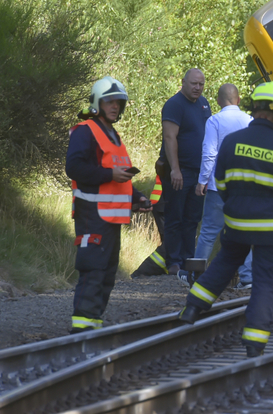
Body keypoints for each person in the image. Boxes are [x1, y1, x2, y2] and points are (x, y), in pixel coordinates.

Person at [178, 82, 273, 358]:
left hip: (236, 223)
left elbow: (220, 184)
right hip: (271, 229)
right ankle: (254, 344)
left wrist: (239, 205)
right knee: (264, 281)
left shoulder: (232, 143)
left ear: (255, 108)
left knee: (223, 265)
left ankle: (192, 308)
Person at [66, 77, 152, 333]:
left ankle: (93, 326)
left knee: (106, 274)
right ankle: (81, 330)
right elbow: (75, 168)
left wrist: (137, 198)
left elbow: (120, 178)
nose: (115, 106)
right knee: (93, 270)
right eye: (109, 101)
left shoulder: (113, 135)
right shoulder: (85, 130)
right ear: (97, 103)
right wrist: (110, 175)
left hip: (111, 218)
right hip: (92, 215)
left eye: (119, 102)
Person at [193, 83, 254, 288]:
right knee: (245, 231)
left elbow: (209, 153)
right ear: (238, 100)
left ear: (219, 101)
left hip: (218, 187)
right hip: (245, 188)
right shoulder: (250, 120)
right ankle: (246, 278)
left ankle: (197, 275)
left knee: (209, 232)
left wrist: (202, 181)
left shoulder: (214, 120)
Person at [158, 68, 210, 280]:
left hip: (198, 173)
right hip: (180, 172)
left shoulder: (204, 104)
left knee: (192, 219)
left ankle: (189, 261)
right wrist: (175, 169)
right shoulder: (174, 104)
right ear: (183, 82)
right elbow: (170, 138)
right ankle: (174, 262)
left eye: (201, 84)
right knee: (175, 217)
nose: (197, 88)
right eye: (194, 84)